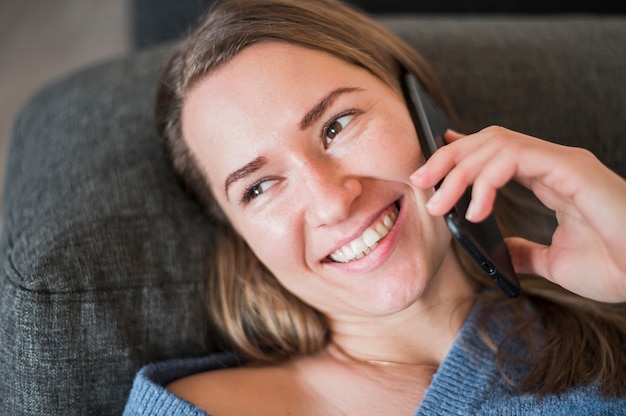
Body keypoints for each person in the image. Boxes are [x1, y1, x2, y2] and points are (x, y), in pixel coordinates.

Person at [123, 0, 626, 414]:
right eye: (258, 188)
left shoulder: (605, 333)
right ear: (240, 235)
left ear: (420, 111)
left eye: (336, 126)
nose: (331, 202)